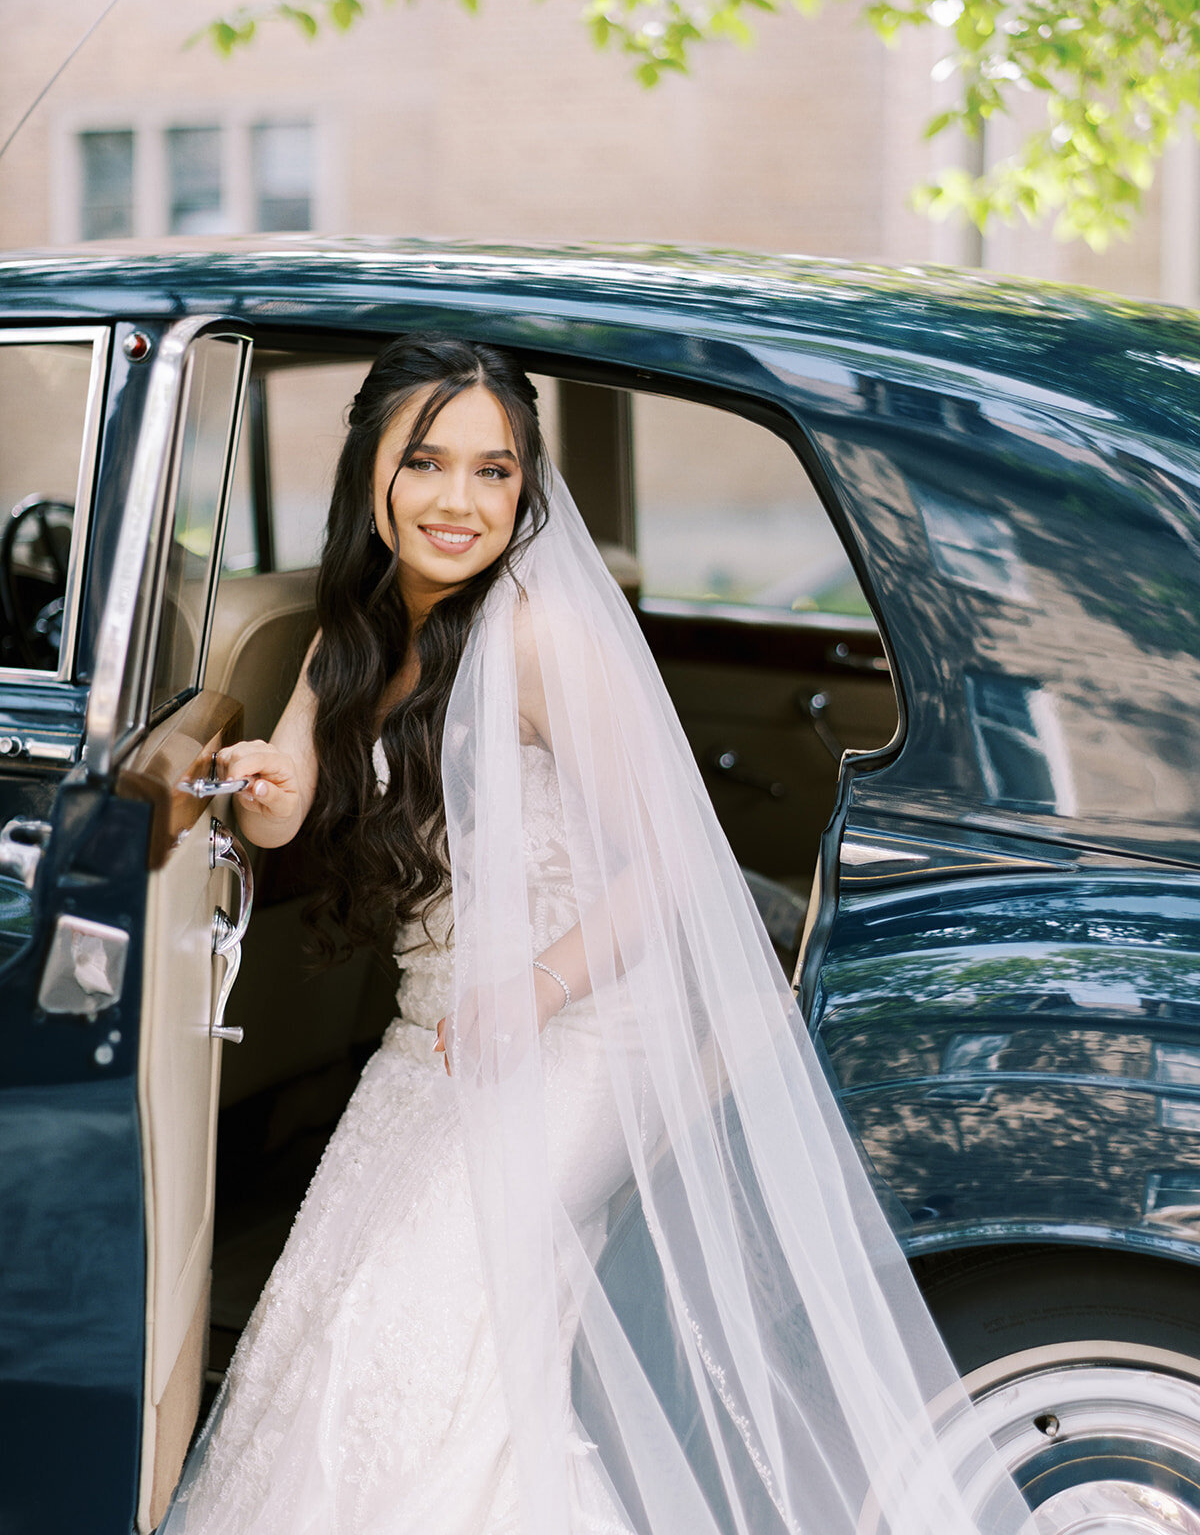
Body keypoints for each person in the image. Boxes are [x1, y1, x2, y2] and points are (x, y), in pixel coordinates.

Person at [161, 335, 1035, 1535]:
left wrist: (534, 986)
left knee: (422, 1335)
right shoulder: (346, 637)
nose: (458, 501)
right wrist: (257, 775)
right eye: (427, 464)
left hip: (589, 1022)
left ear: (526, 491)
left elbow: (671, 866)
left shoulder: (537, 633)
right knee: (334, 1315)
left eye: (494, 471)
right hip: (436, 1036)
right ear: (374, 469)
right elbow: (286, 813)